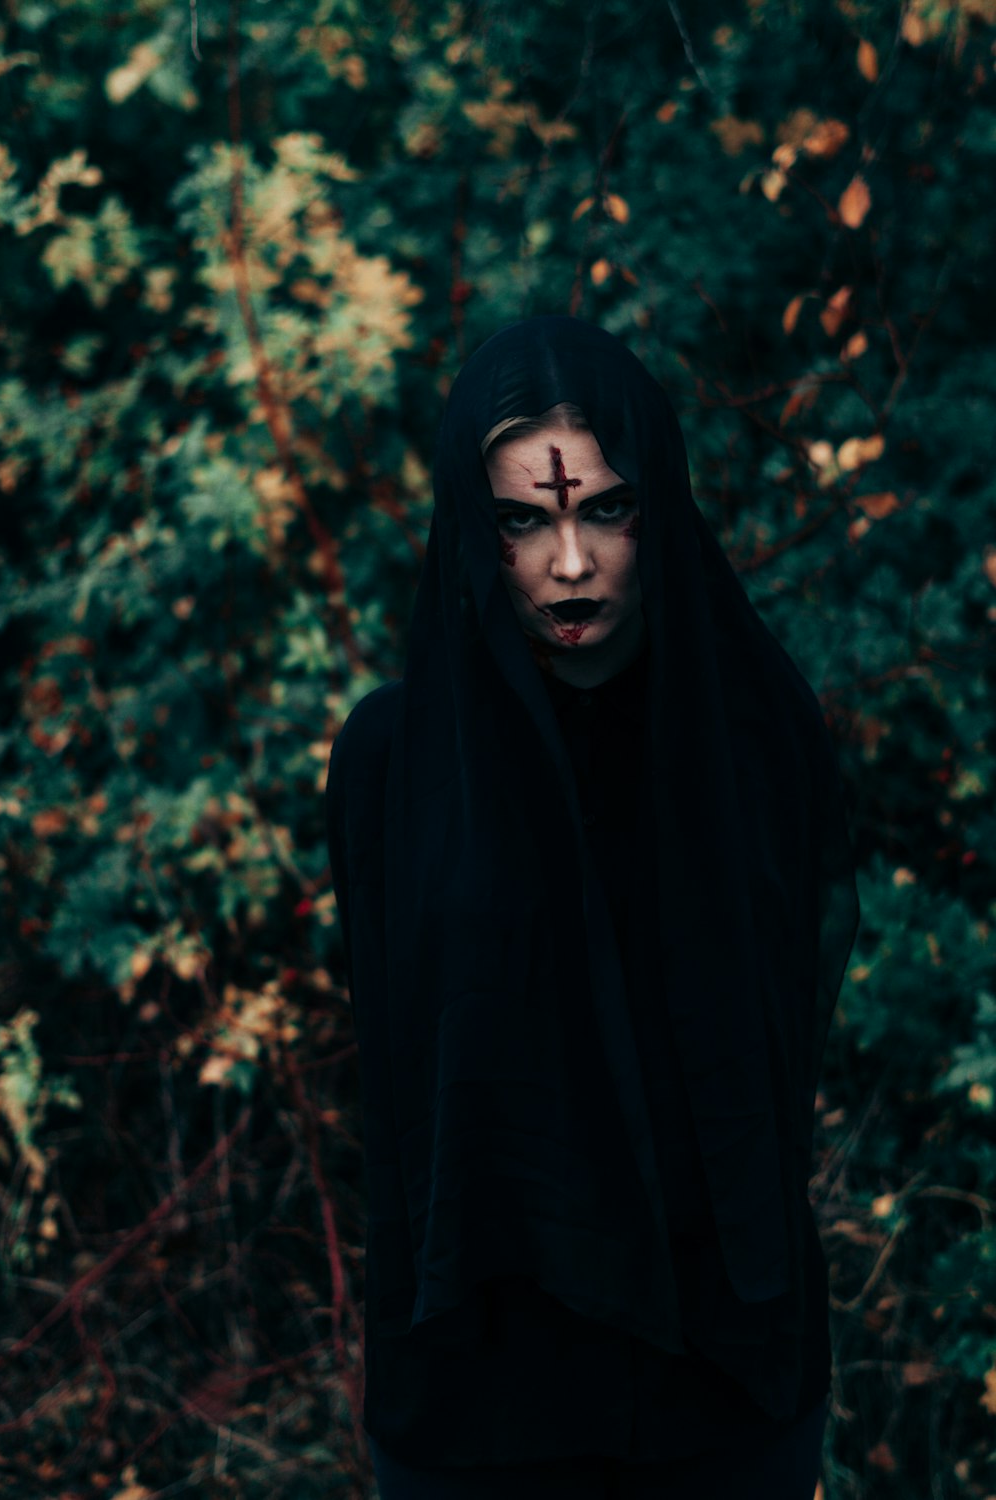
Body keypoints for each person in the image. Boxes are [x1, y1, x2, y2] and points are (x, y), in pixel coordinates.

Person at [324, 315, 860, 1498]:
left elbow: (784, 1047)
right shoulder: (393, 765)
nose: (570, 564)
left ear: (657, 509)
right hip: (479, 1391)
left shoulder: (758, 740)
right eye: (524, 518)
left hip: (721, 1381)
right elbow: (400, 1080)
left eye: (603, 509)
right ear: (477, 532)